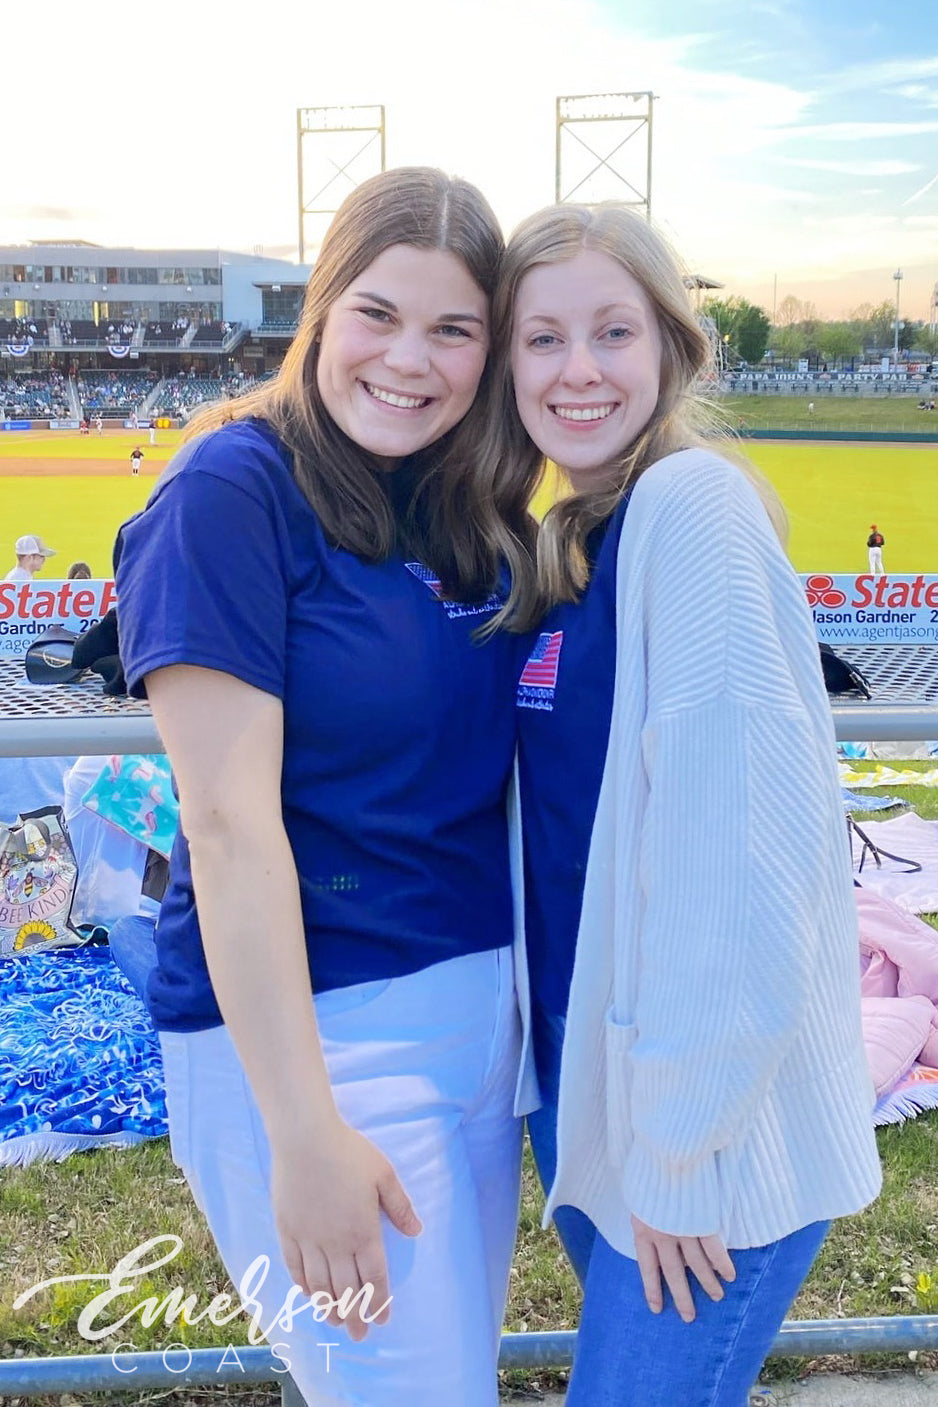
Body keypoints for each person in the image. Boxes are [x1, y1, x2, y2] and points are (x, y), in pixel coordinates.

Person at [113, 166, 536, 1407]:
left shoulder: (462, 503)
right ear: (320, 311)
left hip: (473, 1020)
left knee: (450, 1381)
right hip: (320, 1037)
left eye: (453, 329)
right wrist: (300, 1131)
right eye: (377, 314)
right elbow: (230, 828)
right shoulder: (228, 493)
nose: (411, 360)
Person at [493, 203, 882, 1406]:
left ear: (670, 348)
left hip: (698, 1137)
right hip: (596, 1102)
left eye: (612, 332)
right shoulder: (573, 541)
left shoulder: (690, 511)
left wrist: (677, 1153)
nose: (577, 371)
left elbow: (744, 859)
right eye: (541, 338)